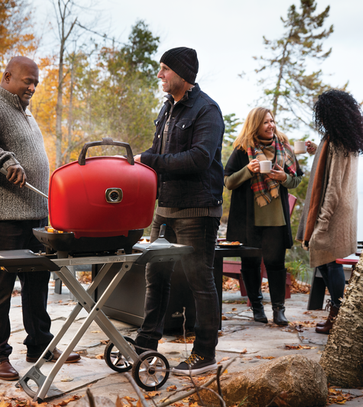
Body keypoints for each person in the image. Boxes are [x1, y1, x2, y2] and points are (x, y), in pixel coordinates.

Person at [0, 56, 80, 381]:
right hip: (2, 219)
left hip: (35, 217)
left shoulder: (24, 113)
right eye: (28, 81)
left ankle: (40, 344)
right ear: (8, 77)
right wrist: (3, 160)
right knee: (0, 286)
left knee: (37, 284)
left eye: (36, 82)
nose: (33, 87)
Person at [133, 47, 224, 376]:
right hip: (166, 208)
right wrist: (137, 165)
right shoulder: (166, 108)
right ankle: (145, 344)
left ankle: (205, 353)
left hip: (197, 211)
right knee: (155, 276)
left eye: (165, 70)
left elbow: (199, 158)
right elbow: (157, 154)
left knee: (200, 280)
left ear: (183, 75)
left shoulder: (207, 110)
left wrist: (150, 161)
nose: (159, 75)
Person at [296, 89, 363, 334]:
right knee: (328, 260)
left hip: (335, 209)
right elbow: (333, 170)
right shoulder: (344, 138)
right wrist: (317, 150)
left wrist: (323, 222)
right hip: (346, 207)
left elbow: (333, 187)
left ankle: (338, 314)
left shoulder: (338, 141)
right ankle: (337, 312)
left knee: (330, 261)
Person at [225, 107, 303, 326]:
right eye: (266, 122)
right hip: (249, 220)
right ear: (255, 125)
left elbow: (296, 180)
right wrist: (248, 170)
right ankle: (257, 308)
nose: (271, 125)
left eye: (272, 121)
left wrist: (283, 178)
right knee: (250, 265)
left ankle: (279, 310)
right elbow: (229, 181)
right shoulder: (242, 149)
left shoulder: (285, 148)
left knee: (276, 265)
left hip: (276, 220)